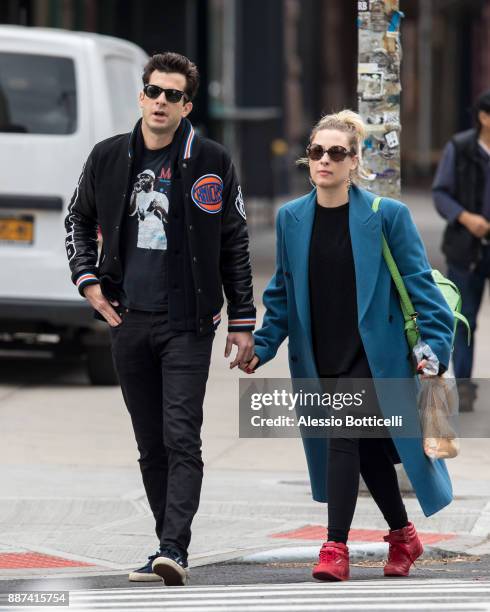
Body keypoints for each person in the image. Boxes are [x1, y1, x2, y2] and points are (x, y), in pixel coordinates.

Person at [64, 52, 256, 586]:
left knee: (181, 435)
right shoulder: (107, 156)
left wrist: (243, 319)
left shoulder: (211, 158)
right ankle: (163, 543)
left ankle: (175, 547)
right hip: (128, 320)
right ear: (141, 95)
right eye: (154, 91)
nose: (161, 102)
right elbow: (77, 219)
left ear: (187, 104)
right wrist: (89, 282)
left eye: (173, 95)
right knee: (150, 441)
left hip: (188, 323)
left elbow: (234, 241)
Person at [242, 110, 454, 582]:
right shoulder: (290, 218)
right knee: (369, 450)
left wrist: (434, 348)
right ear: (308, 158)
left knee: (342, 434)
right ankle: (403, 536)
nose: (325, 160)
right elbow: (282, 291)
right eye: (317, 151)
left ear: (355, 161)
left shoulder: (386, 216)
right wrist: (264, 343)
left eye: (337, 152)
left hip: (375, 357)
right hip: (320, 354)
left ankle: (334, 546)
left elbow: (422, 288)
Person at [432, 90, 490, 411]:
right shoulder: (461, 147)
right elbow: (441, 193)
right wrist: (466, 218)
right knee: (463, 318)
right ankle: (464, 386)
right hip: (465, 247)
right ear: (483, 117)